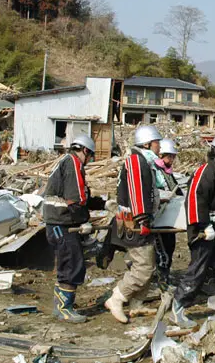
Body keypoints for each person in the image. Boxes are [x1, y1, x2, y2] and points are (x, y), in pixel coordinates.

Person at [171, 132, 215, 328]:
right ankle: (177, 307)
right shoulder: (205, 172)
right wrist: (204, 225)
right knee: (197, 271)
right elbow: (194, 200)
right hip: (204, 232)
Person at [104, 125, 162, 324]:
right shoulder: (137, 161)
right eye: (157, 143)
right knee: (144, 267)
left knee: (148, 263)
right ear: (147, 143)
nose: (159, 147)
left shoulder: (142, 161)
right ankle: (117, 298)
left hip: (139, 219)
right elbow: (137, 193)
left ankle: (137, 303)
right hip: (135, 222)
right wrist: (142, 219)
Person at [43, 135, 97, 323]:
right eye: (90, 156)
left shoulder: (65, 162)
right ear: (85, 151)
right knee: (72, 263)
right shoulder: (73, 164)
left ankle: (62, 306)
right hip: (62, 223)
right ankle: (63, 308)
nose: (89, 161)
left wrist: (102, 203)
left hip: (58, 222)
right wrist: (83, 219)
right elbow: (77, 199)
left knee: (68, 262)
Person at [153, 138, 184, 288]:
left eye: (173, 156)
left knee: (169, 247)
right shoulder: (154, 171)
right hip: (159, 217)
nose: (171, 159)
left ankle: (164, 278)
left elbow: (177, 190)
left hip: (169, 217)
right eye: (169, 156)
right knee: (162, 252)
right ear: (161, 155)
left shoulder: (168, 172)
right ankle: (162, 282)